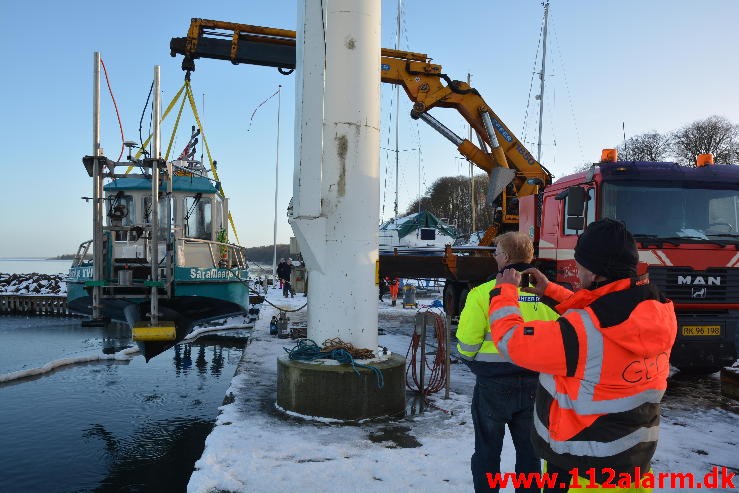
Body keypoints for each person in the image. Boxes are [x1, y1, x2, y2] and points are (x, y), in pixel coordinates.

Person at [488, 219, 677, 492]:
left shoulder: (584, 333)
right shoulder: (658, 311)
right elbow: (601, 315)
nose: (577, 270)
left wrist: (503, 291)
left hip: (580, 471)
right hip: (633, 466)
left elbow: (512, 341)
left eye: (580, 264)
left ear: (596, 272)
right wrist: (549, 291)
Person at [457, 231, 559, 493]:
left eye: (495, 252)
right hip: (537, 386)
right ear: (531, 256)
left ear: (503, 257)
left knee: (487, 452)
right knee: (530, 455)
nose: (493, 256)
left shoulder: (482, 293)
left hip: (493, 387)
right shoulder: (549, 294)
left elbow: (467, 347)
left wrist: (482, 365)